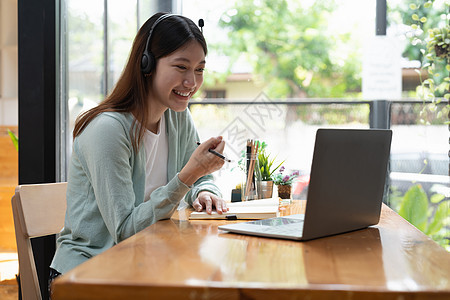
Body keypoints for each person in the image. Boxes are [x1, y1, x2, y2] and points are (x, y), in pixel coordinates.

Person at [49, 12, 229, 283]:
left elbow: (201, 177)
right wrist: (187, 177)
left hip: (146, 264)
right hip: (88, 275)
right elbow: (124, 232)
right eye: (181, 67)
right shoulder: (107, 130)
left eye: (199, 69)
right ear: (147, 64)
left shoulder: (178, 118)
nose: (192, 82)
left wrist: (204, 190)